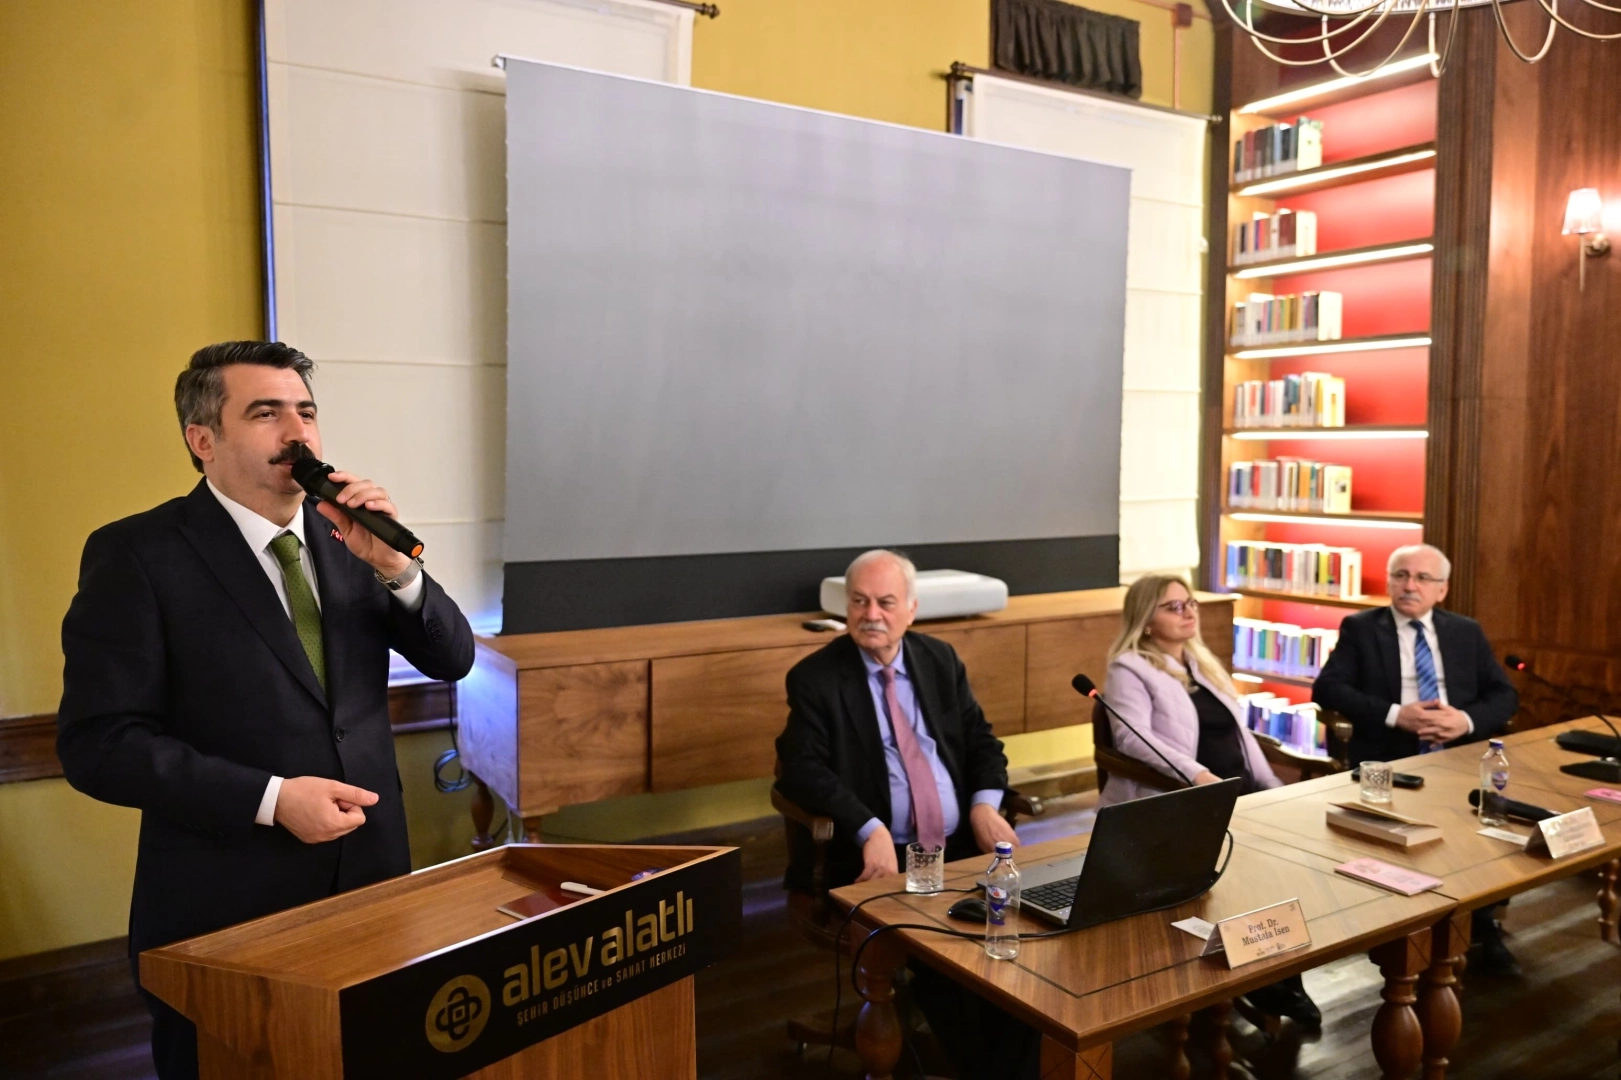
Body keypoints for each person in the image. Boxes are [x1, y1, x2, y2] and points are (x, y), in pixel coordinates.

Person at [56, 342, 476, 1079]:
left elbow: (453, 659)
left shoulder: (352, 540)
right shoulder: (137, 554)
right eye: (266, 413)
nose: (298, 432)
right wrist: (272, 799)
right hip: (227, 904)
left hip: (372, 882)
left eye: (306, 412)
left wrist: (397, 569)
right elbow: (100, 744)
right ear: (202, 439)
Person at [774, 548, 1036, 1080]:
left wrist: (984, 805)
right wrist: (868, 827)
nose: (871, 614)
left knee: (1023, 957)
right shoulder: (815, 678)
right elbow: (800, 769)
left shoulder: (939, 661)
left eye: (886, 602)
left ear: (911, 610)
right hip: (882, 858)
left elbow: (983, 743)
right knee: (947, 961)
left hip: (958, 848)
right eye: (860, 602)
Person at [1101, 574, 1319, 1028]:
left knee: (1288, 859)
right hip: (1186, 799)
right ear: (1145, 620)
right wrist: (1199, 776)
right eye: (1173, 606)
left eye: (1191, 603)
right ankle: (1265, 981)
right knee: (1250, 873)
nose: (1188, 612)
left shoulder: (1201, 664)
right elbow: (1132, 738)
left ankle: (1279, 971)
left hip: (1240, 790)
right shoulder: (1129, 668)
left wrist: (1272, 787)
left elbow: (1240, 736)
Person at [1313, 542, 1521, 974]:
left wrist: (1464, 721)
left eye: (1423, 578)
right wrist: (1396, 715)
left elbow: (1504, 694)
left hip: (1458, 755)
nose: (1410, 585)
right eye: (1401, 575)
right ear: (1390, 582)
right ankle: (1404, 929)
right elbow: (1328, 689)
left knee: (1487, 833)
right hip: (1389, 759)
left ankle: (1480, 921)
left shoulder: (1465, 631)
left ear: (1441, 589)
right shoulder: (1361, 628)